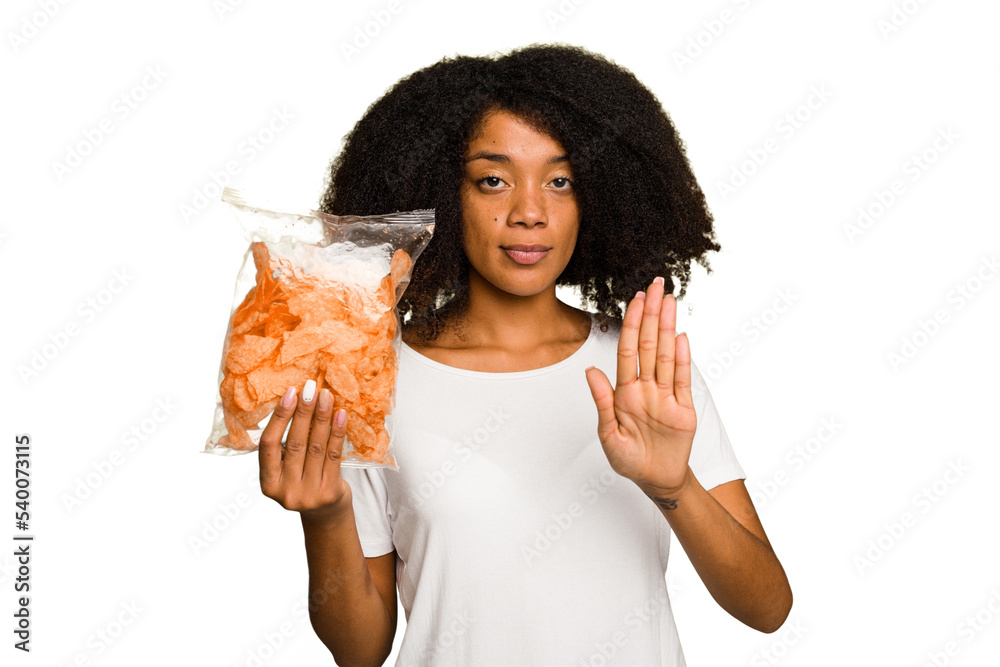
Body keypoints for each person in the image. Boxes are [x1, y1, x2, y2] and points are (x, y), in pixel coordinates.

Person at [258, 44, 792, 666]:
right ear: (441, 194)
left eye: (560, 181)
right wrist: (324, 519)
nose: (530, 212)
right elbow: (360, 652)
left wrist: (673, 485)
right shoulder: (371, 374)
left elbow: (768, 608)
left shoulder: (643, 367)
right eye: (493, 180)